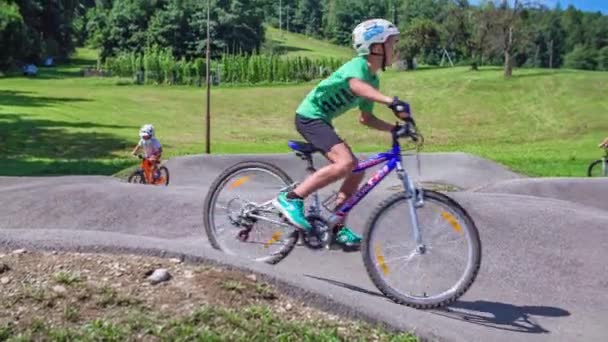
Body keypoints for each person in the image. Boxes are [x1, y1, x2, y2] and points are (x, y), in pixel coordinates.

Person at [272, 18, 412, 250]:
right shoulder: (358, 67)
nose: (395, 49)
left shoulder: (373, 80)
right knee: (345, 162)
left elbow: (365, 118)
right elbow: (356, 86)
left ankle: (336, 228)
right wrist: (391, 102)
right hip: (309, 117)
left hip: (322, 121)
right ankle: (291, 198)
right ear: (376, 47)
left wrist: (395, 129)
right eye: (392, 43)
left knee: (355, 170)